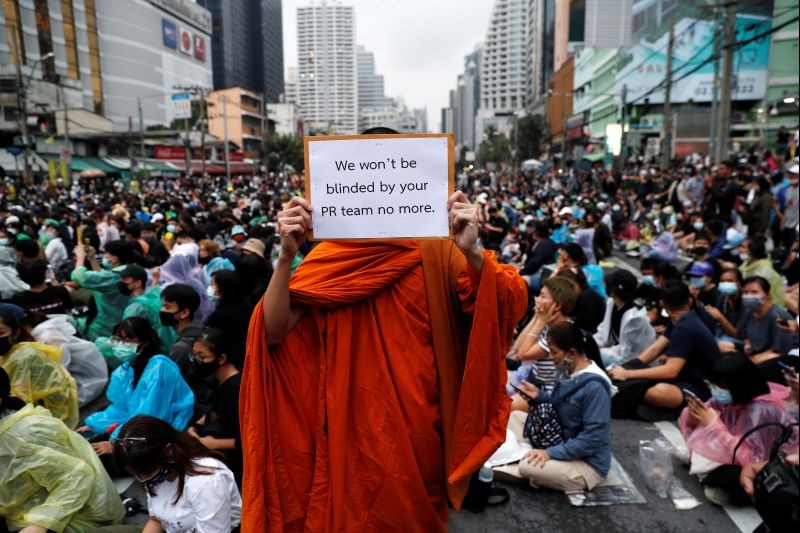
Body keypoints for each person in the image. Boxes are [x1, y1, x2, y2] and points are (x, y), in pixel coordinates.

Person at [240, 191, 526, 531]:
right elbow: (273, 331)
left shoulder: (440, 248)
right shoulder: (330, 257)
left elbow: (509, 304)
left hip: (416, 433)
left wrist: (473, 252)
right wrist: (286, 257)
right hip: (346, 430)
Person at [0, 368, 126, 533]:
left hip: (74, 515)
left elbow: (76, 478)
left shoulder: (24, 434)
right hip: (24, 511)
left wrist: (40, 524)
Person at [679, 352, 798, 506]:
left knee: (732, 475)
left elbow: (751, 459)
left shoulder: (761, 410)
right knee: (698, 443)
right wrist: (694, 416)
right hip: (735, 448)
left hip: (767, 463)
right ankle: (707, 473)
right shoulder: (728, 396)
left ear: (738, 384)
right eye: (713, 384)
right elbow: (696, 420)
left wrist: (713, 424)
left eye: (720, 385)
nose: (716, 389)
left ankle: (715, 480)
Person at [508, 322, 613, 491]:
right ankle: (529, 459)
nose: (549, 356)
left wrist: (550, 453)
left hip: (586, 462)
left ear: (571, 353)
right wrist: (539, 396)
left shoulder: (595, 387)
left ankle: (526, 464)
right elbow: (560, 405)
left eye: (554, 352)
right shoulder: (565, 370)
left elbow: (594, 437)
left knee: (528, 467)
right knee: (515, 417)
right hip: (559, 438)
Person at [609, 281, 720, 421]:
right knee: (633, 381)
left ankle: (674, 412)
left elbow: (670, 370)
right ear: (689, 300)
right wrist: (627, 366)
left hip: (700, 389)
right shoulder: (683, 319)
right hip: (683, 380)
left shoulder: (685, 326)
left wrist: (627, 373)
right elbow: (655, 349)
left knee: (657, 392)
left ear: (662, 303)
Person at [80, 317, 194, 450]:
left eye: (127, 340)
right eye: (118, 339)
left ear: (144, 343)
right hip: (139, 424)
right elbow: (121, 409)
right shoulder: (124, 371)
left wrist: (116, 443)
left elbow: (150, 416)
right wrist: (94, 425)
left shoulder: (159, 368)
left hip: (167, 426)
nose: (120, 344)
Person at [112, 415, 242, 532]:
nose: (143, 480)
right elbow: (157, 520)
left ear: (168, 451)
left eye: (146, 473)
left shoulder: (206, 483)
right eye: (137, 475)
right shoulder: (156, 472)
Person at [0, 308, 79, 429]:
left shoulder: (22, 357)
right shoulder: (11, 353)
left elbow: (20, 398)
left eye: (1, 333)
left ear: (15, 333)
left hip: (51, 414)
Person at [509, 276, 580, 403]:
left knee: (505, 405)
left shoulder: (562, 331)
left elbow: (522, 355)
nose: (537, 299)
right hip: (532, 381)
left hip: (546, 394)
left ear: (557, 305)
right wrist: (537, 318)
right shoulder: (549, 324)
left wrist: (540, 321)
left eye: (542, 296)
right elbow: (516, 348)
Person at [187, 327, 243, 484]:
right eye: (194, 355)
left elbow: (248, 439)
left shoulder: (236, 388)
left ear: (222, 358)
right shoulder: (222, 381)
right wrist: (194, 428)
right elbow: (215, 411)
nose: (197, 361)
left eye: (202, 356)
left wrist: (211, 444)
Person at [70, 239, 134, 340]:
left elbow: (79, 277)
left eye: (107, 253)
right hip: (118, 319)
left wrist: (80, 256)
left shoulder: (115, 276)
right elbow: (101, 275)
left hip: (107, 325)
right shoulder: (127, 270)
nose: (105, 256)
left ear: (115, 258)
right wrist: (92, 257)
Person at [595, 269, 657, 368]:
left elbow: (627, 354)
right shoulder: (612, 303)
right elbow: (603, 332)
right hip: (616, 352)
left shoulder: (634, 319)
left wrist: (597, 351)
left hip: (635, 363)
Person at [115, 264, 177, 354]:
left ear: (137, 283)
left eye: (124, 279)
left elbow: (126, 337)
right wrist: (155, 279)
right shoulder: (151, 297)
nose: (120, 282)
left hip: (149, 353)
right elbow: (153, 291)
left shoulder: (135, 308)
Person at [732, 276, 795, 366]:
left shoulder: (778, 316)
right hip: (755, 350)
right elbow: (744, 335)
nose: (749, 296)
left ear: (767, 294)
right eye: (745, 292)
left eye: (754, 292)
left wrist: (753, 359)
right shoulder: (748, 311)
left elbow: (781, 351)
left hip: (781, 355)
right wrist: (747, 344)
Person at [738, 236, 786, 308]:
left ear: (753, 250)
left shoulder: (764, 269)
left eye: (743, 247)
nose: (739, 249)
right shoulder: (746, 263)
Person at [160, 283, 203, 362]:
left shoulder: (181, 347)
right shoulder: (201, 328)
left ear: (184, 313)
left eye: (167, 307)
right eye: (162, 306)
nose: (162, 310)